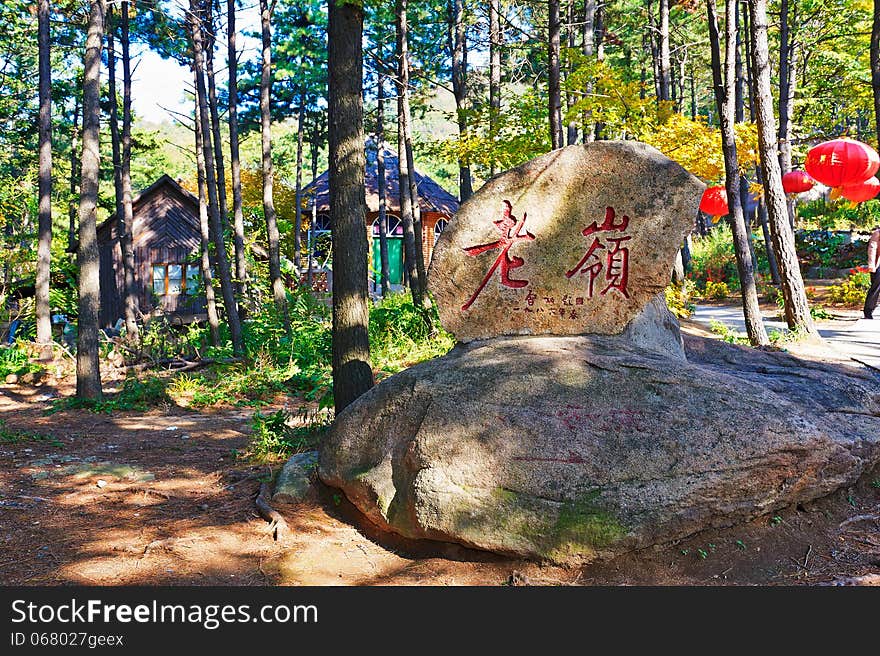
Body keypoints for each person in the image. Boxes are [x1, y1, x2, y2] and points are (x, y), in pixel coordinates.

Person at [864, 226, 880, 319]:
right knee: (876, 288)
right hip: (878, 265)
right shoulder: (877, 233)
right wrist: (871, 264)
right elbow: (872, 248)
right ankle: (868, 311)